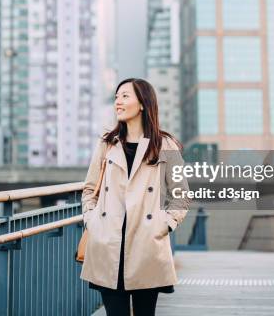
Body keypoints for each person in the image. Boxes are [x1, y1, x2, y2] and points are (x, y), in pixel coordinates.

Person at [80, 78, 191, 316]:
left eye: (125, 96)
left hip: (146, 246)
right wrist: (92, 220)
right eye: (116, 97)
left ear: (142, 103)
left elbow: (181, 195)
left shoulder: (165, 145)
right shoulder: (107, 144)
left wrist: (164, 225)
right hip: (108, 244)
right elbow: (90, 189)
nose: (118, 102)